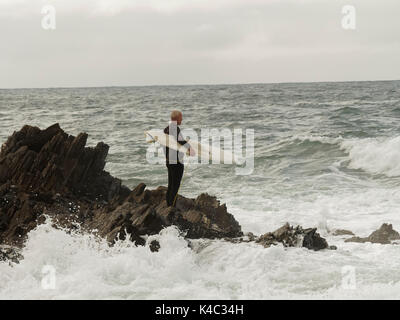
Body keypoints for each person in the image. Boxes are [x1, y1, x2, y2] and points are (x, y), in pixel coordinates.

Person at [164, 110, 194, 207]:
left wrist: (186, 142)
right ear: (177, 118)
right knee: (175, 187)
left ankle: (168, 205)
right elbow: (180, 141)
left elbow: (175, 141)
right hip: (176, 162)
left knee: (170, 185)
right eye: (181, 117)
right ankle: (171, 207)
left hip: (169, 160)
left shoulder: (167, 129)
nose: (182, 119)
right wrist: (190, 147)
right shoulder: (175, 129)